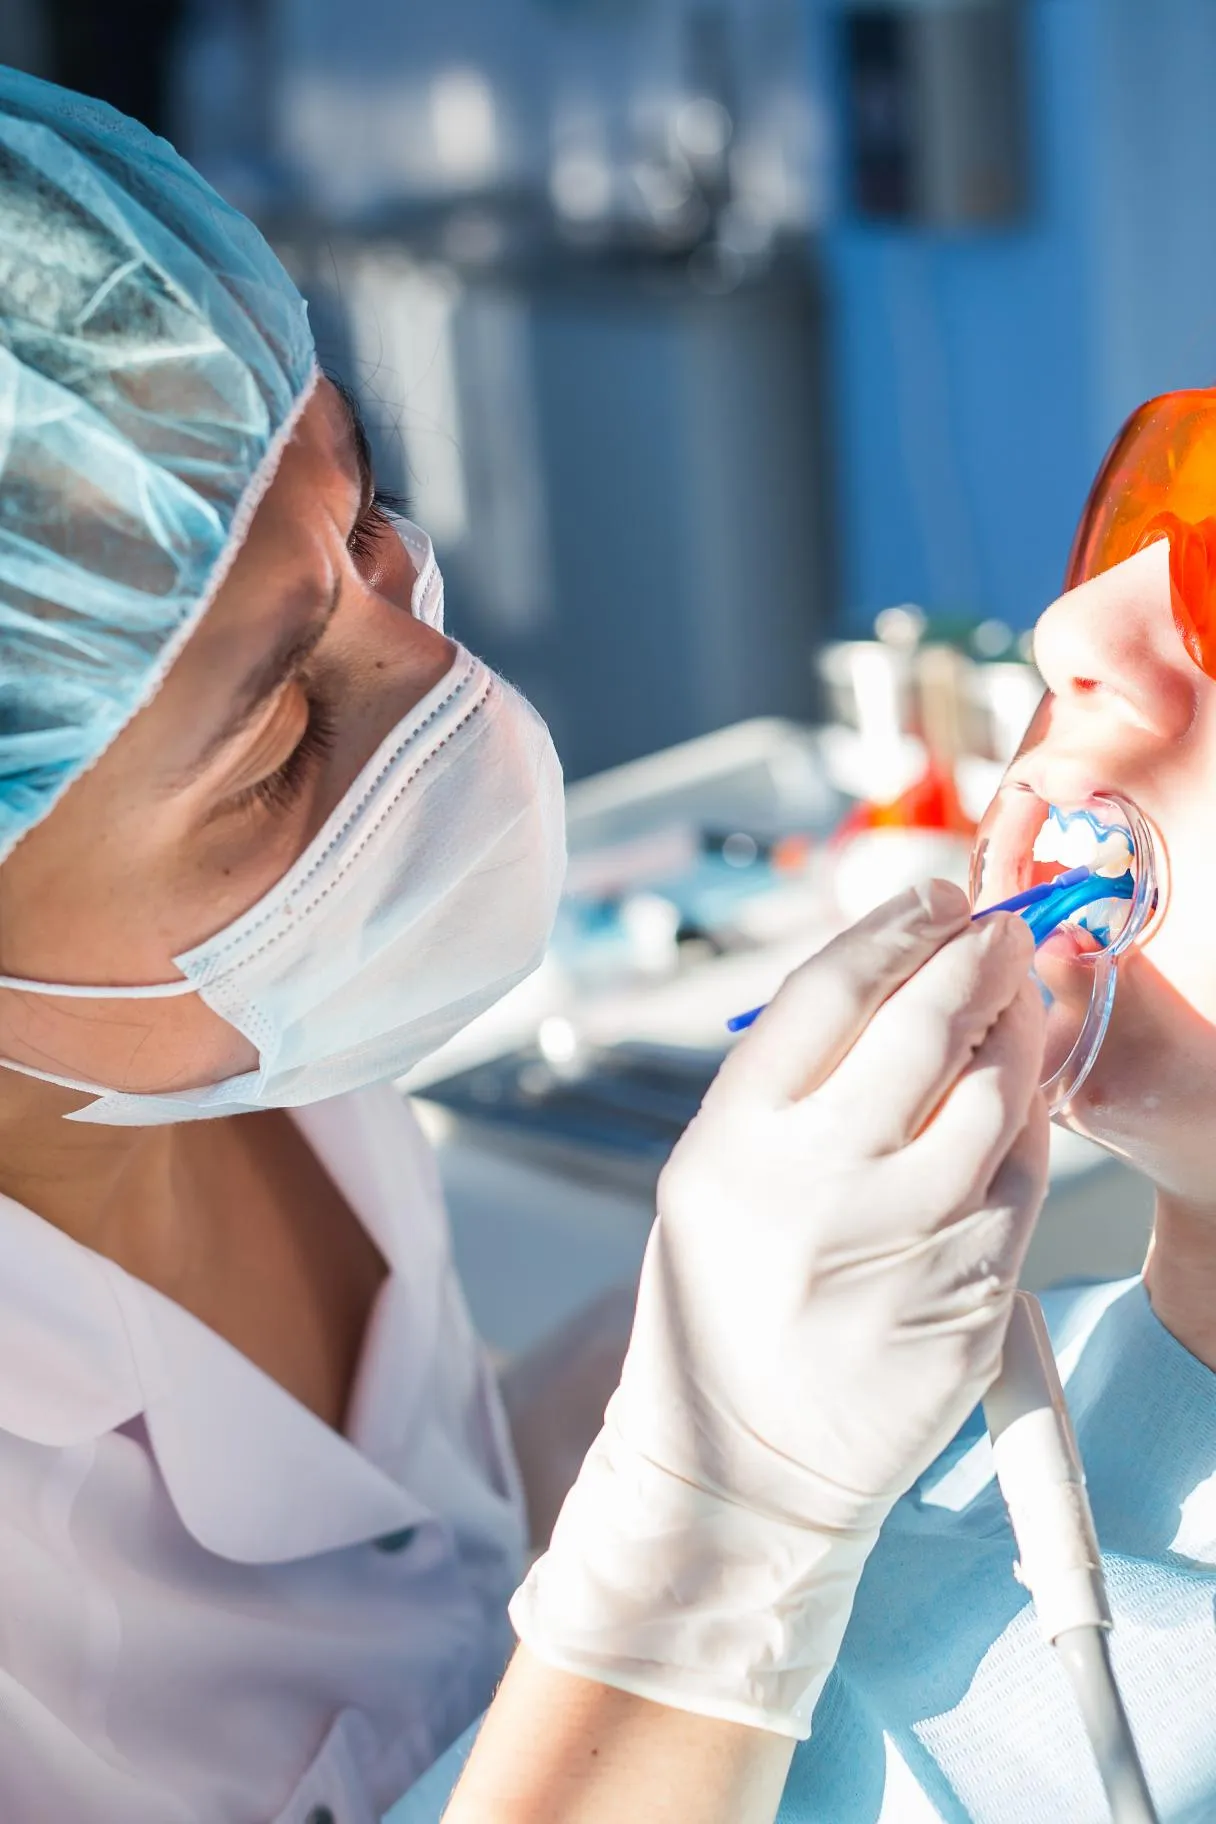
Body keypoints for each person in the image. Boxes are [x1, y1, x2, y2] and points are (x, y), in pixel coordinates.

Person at [0, 63, 1187, 1824]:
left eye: (366, 516)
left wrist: (703, 1405)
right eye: (268, 750)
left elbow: (406, 1559)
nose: (434, 687)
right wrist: (707, 1528)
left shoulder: (258, 1035)